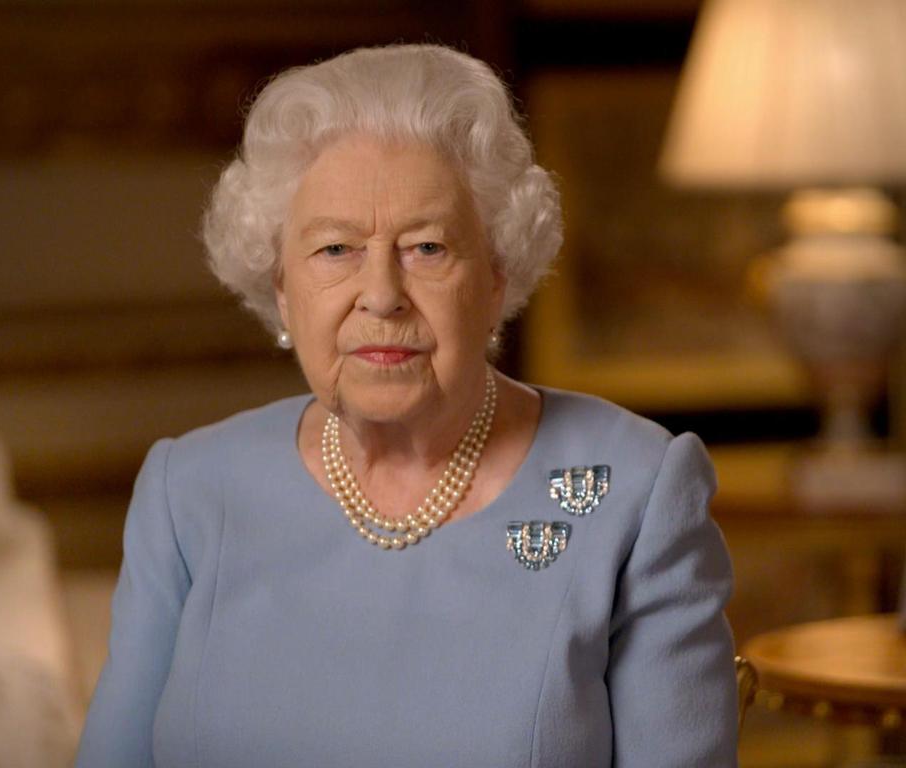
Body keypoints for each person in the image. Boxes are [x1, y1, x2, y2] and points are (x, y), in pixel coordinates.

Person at [74, 44, 738, 767]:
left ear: (494, 279)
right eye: (335, 250)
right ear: (281, 291)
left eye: (426, 247)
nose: (383, 294)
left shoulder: (632, 492)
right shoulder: (189, 494)